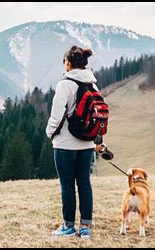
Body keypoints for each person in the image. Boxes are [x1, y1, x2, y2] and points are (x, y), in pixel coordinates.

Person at [46, 45, 98, 239]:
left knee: (67, 186)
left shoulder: (64, 84)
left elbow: (56, 115)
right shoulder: (93, 84)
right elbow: (97, 114)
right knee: (84, 184)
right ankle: (85, 227)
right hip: (87, 144)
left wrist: (50, 133)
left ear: (68, 63)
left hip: (66, 144)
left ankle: (68, 226)